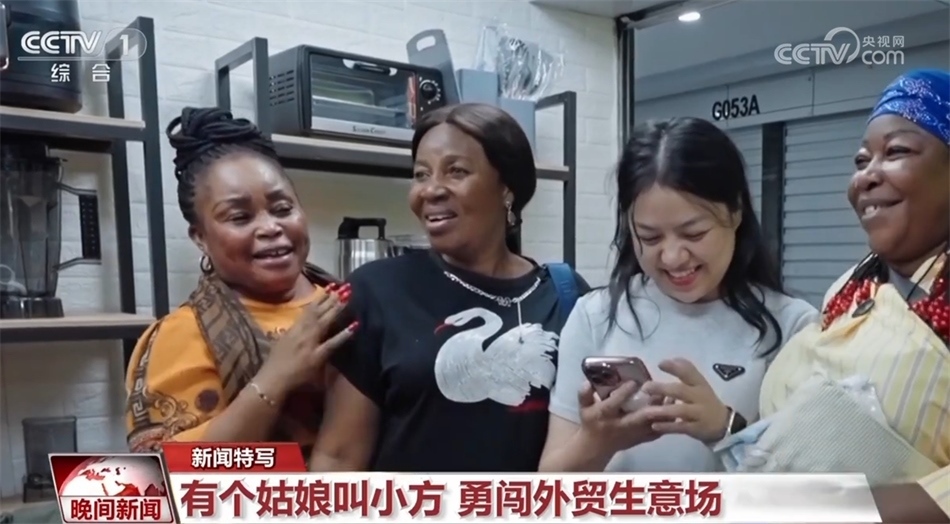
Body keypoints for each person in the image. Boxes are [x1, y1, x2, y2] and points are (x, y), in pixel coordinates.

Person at [654, 69, 950, 523]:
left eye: (896, 152)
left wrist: (843, 509)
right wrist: (731, 429)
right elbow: (808, 440)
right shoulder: (851, 289)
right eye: (861, 160)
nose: (867, 176)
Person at [310, 103, 590, 472]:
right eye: (421, 174)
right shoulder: (377, 291)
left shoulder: (566, 295)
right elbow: (338, 455)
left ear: (507, 187)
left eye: (456, 171)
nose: (430, 190)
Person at [538, 117, 818, 472]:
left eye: (694, 233)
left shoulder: (791, 326)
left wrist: (726, 427)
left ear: (735, 213)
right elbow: (548, 485)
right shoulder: (595, 316)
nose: (672, 257)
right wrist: (597, 443)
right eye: (650, 237)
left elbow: (808, 479)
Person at [125, 107, 355, 453]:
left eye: (282, 209)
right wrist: (276, 377)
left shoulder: (350, 301)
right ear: (200, 237)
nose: (270, 227)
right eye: (239, 217)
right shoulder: (182, 335)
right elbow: (161, 471)